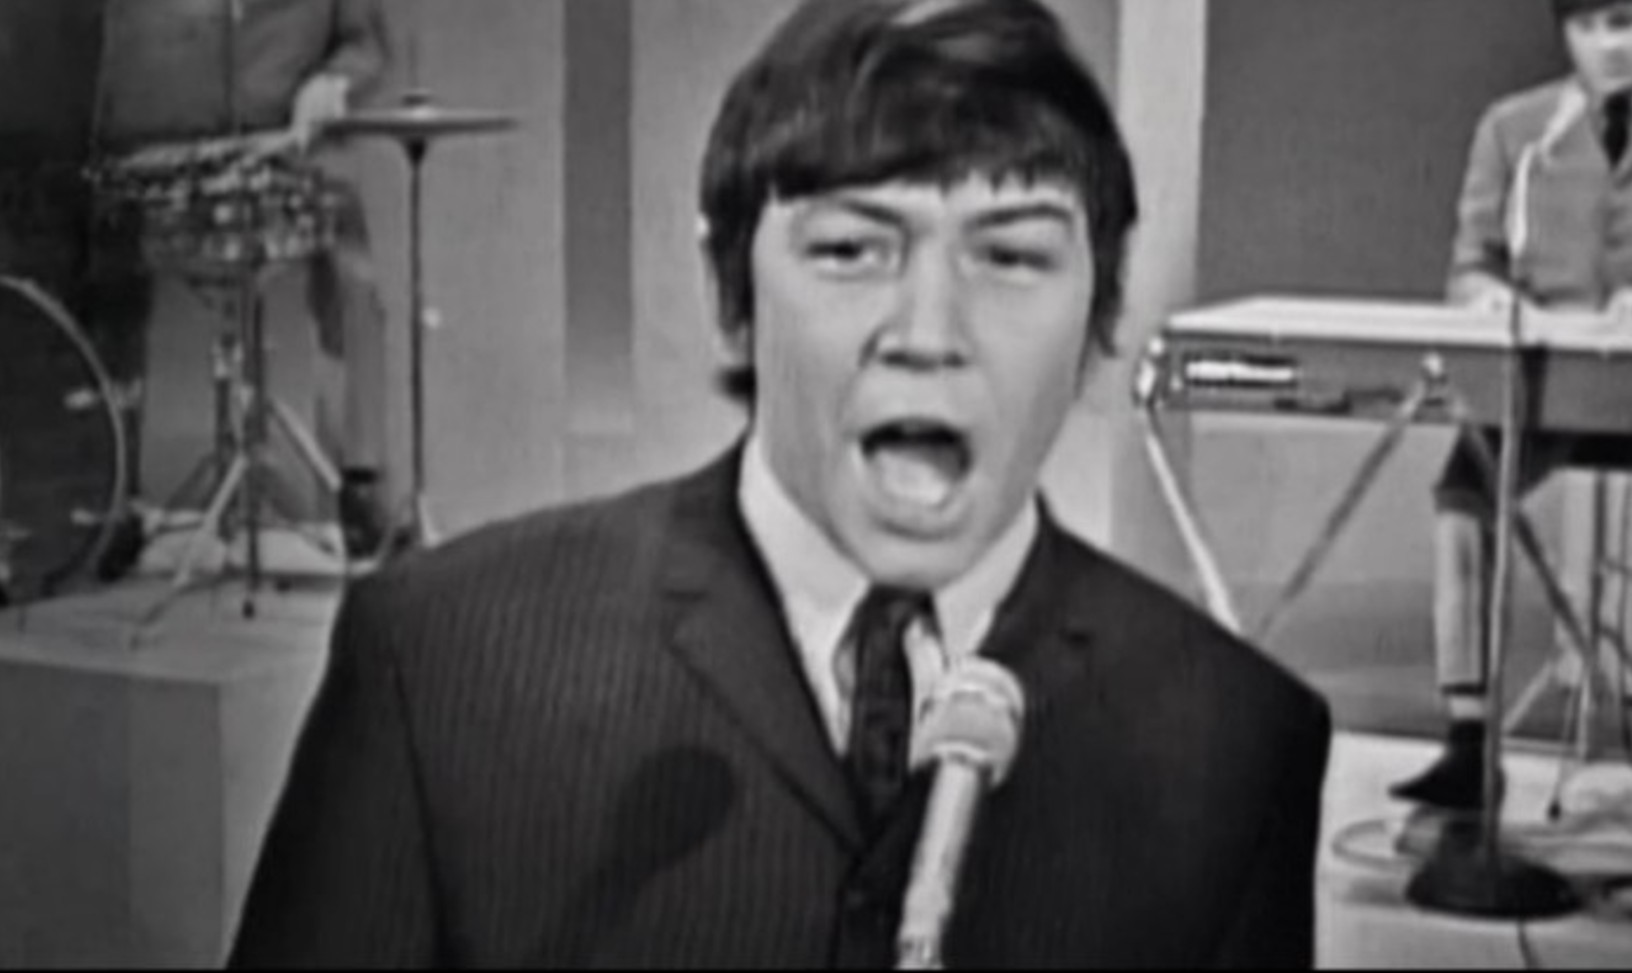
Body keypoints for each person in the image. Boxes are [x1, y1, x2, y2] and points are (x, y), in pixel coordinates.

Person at [229, 0, 1332, 966]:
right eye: (852, 249)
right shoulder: (442, 664)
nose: (929, 333)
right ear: (733, 293)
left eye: (1010, 256)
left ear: (1098, 313)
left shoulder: (1233, 742)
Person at [1391, 0, 1632, 812]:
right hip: (1548, 385)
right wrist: (1489, 299)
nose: (1611, 45)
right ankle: (1469, 743)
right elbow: (1471, 266)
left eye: (1626, 22)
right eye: (1591, 25)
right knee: (1464, 492)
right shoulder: (1517, 130)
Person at [89, 0, 391, 557]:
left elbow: (367, 45)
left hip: (291, 151)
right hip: (173, 147)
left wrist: (334, 81)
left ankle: (361, 479)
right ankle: (115, 494)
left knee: (355, 276)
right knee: (107, 269)